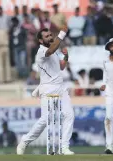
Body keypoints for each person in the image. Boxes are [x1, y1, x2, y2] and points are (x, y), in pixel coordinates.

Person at [16, 27, 75, 155]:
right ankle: (25, 141)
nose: (50, 37)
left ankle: (64, 147)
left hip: (60, 87)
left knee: (69, 115)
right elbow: (51, 49)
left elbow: (61, 67)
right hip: (47, 88)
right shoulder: (41, 52)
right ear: (41, 40)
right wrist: (62, 34)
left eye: (50, 35)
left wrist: (66, 57)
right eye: (47, 36)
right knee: (45, 119)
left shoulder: (54, 51)